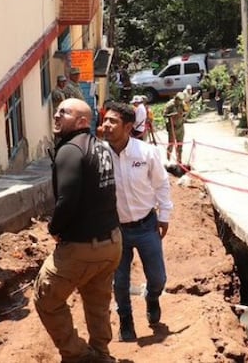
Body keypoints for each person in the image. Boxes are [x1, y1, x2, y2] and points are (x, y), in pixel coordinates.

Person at [34, 98, 121, 362]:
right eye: (57, 111)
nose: (57, 115)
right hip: (112, 243)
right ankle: (101, 353)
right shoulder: (102, 148)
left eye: (65, 112)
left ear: (82, 121)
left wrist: (54, 228)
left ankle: (78, 356)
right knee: (98, 303)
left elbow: (67, 200)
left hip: (83, 247)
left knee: (46, 298)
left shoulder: (70, 150)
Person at [99, 101, 173, 343]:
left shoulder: (146, 152)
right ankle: (126, 321)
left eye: (113, 121)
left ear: (128, 127)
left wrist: (164, 215)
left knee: (158, 278)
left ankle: (152, 298)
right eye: (105, 120)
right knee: (119, 281)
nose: (106, 125)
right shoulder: (98, 155)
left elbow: (161, 183)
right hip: (115, 230)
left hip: (146, 225)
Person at [162, 92, 187, 164]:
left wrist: (183, 114)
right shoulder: (170, 105)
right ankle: (168, 160)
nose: (180, 102)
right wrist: (173, 115)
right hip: (173, 127)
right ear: (176, 98)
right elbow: (164, 115)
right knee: (171, 145)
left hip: (180, 126)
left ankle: (179, 161)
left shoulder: (182, 104)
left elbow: (185, 111)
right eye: (179, 100)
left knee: (180, 145)